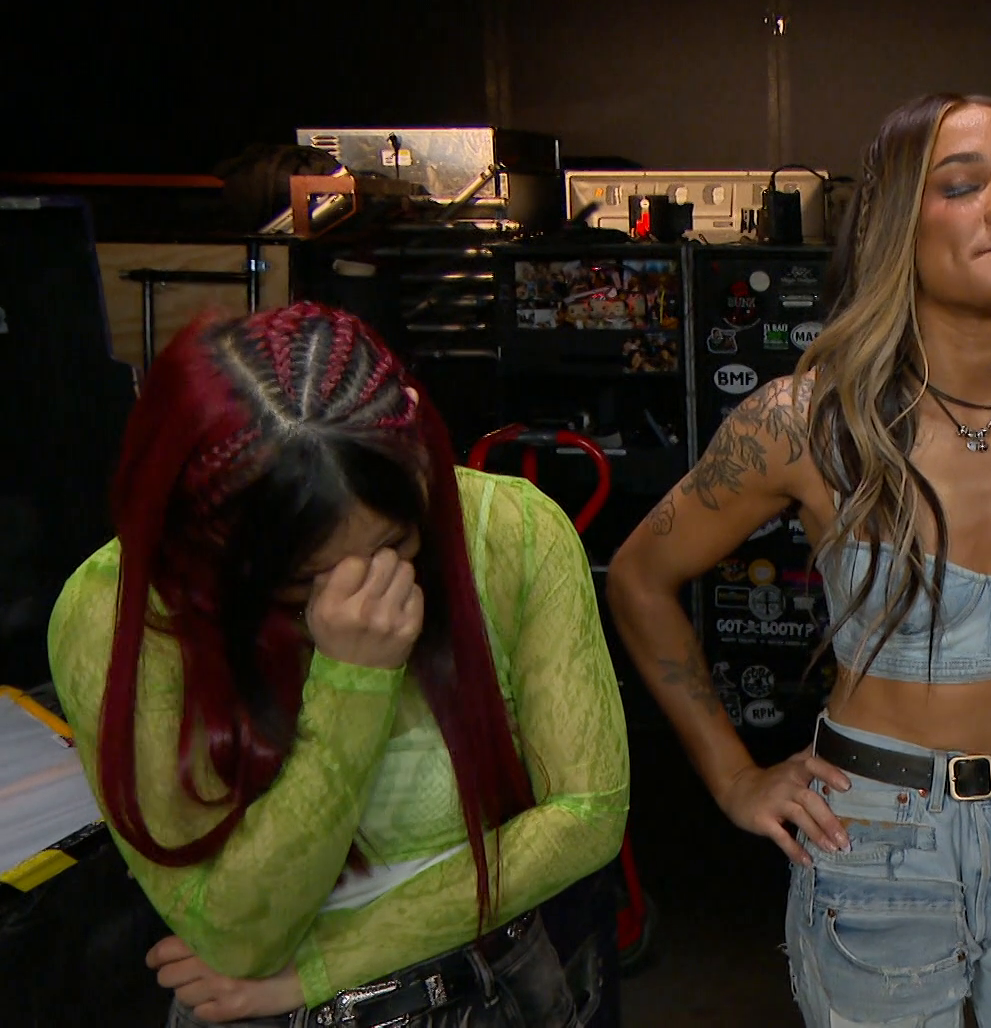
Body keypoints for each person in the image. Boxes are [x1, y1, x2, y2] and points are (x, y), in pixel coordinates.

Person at [607, 92, 991, 1027]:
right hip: (877, 842)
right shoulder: (808, 422)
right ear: (896, 224)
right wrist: (734, 776)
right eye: (963, 185)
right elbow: (638, 578)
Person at [47, 303, 631, 1027]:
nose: (361, 595)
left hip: (493, 983)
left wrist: (323, 966)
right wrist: (354, 679)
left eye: (394, 545)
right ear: (213, 540)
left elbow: (587, 815)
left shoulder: (511, 529)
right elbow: (237, 933)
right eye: (305, 582)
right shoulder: (117, 609)